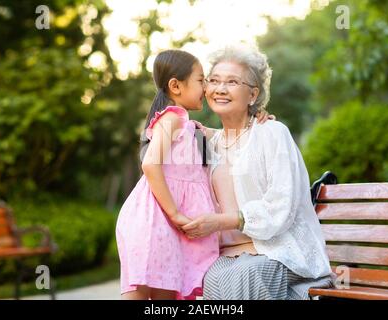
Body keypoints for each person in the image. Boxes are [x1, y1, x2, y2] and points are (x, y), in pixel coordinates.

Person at [116, 49, 272, 300]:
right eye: (202, 80)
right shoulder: (172, 119)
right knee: (140, 291)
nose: (207, 87)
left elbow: (229, 136)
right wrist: (175, 213)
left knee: (167, 293)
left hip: (167, 224)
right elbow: (150, 165)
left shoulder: (192, 128)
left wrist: (255, 117)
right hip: (153, 220)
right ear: (176, 86)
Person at [182, 45, 335, 300]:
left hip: (279, 252)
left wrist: (222, 221)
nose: (220, 89)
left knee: (248, 274)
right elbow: (155, 144)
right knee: (212, 277)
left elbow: (281, 204)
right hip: (228, 257)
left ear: (253, 94)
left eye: (232, 82)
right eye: (215, 81)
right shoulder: (205, 141)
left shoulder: (272, 133)